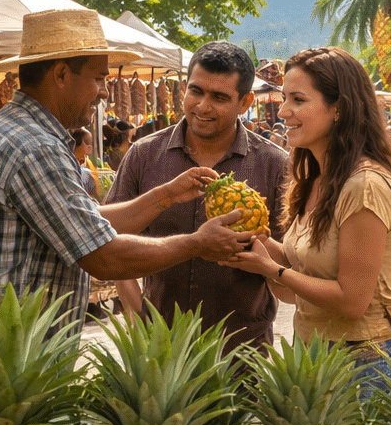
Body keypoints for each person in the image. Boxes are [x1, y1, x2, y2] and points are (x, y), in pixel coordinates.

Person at [0, 9, 252, 339]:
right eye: (98, 78)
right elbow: (103, 257)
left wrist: (166, 195)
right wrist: (197, 243)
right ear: (61, 74)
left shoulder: (10, 128)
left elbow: (82, 220)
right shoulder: (34, 145)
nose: (104, 92)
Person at [222, 47, 391, 394]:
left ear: (338, 108)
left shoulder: (364, 186)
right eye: (284, 98)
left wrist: (271, 269)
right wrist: (256, 242)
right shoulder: (313, 180)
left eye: (297, 99)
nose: (282, 111)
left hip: (365, 363)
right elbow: (298, 291)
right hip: (314, 355)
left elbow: (352, 301)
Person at [105, 41, 288, 348]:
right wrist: (137, 319)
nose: (203, 106)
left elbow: (290, 263)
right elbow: (110, 240)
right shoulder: (144, 155)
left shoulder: (274, 164)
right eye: (196, 91)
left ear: (244, 103)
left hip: (243, 350)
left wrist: (258, 241)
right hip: (161, 350)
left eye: (219, 97)